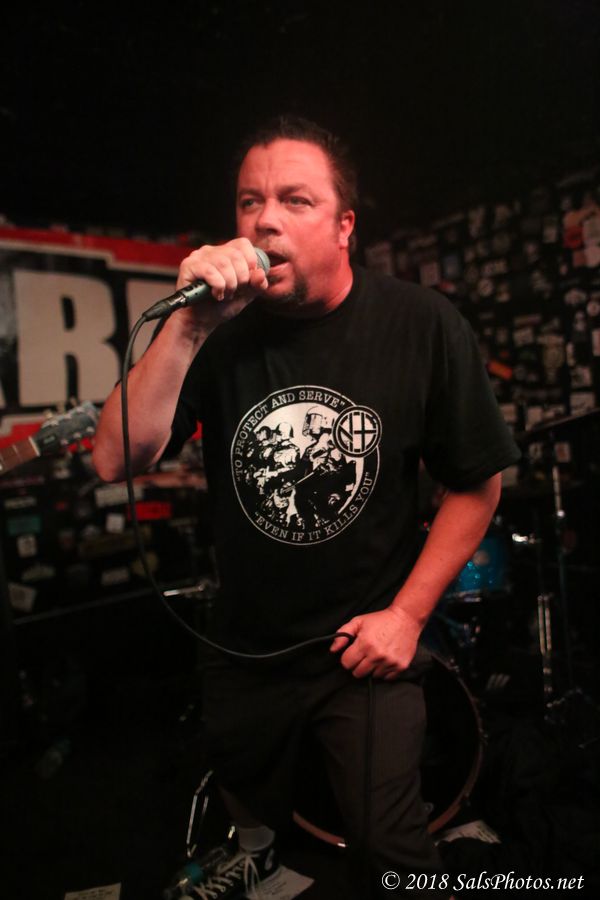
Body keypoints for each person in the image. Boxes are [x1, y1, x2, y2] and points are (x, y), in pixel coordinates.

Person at [93, 116, 520, 899]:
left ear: (344, 226)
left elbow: (477, 482)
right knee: (245, 799)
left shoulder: (420, 324)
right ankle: (255, 855)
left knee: (389, 848)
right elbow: (115, 459)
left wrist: (408, 615)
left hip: (359, 649)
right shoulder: (214, 333)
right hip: (244, 645)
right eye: (249, 202)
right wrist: (187, 325)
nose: (265, 220)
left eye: (295, 200)